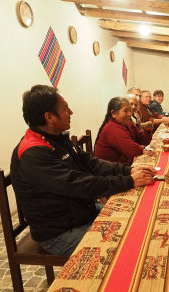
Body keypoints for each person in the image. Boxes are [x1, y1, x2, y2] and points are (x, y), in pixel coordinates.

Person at [10, 85, 155, 257]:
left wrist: (129, 171)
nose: (70, 112)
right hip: (59, 230)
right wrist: (130, 181)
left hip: (82, 213)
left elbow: (91, 163)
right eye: (65, 109)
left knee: (138, 219)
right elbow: (78, 184)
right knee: (127, 248)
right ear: (49, 117)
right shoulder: (33, 152)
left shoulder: (57, 137)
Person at [94, 97, 153, 164]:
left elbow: (142, 140)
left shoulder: (127, 123)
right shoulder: (112, 128)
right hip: (110, 170)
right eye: (125, 111)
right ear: (113, 113)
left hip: (123, 165)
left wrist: (148, 131)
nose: (129, 114)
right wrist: (141, 148)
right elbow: (132, 150)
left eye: (130, 110)